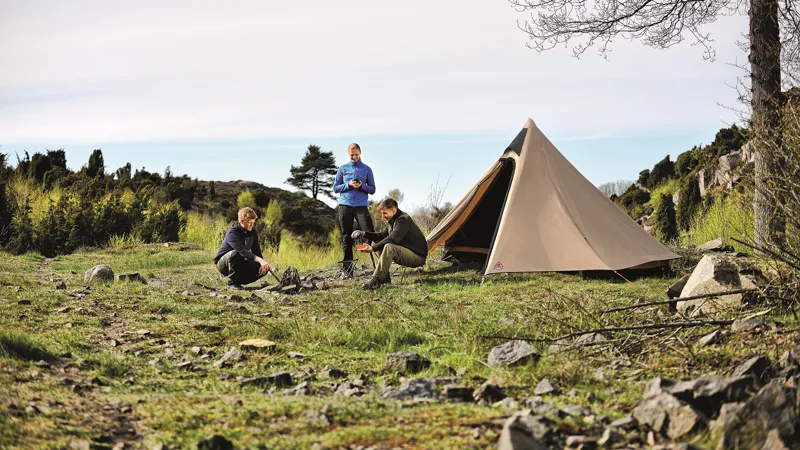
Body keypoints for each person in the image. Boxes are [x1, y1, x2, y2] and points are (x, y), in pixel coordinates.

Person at [353, 198, 427, 290]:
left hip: (417, 257)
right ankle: (384, 279)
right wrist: (364, 233)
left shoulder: (403, 220)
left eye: (385, 213)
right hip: (408, 253)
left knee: (389, 246)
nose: (383, 216)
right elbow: (381, 236)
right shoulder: (392, 221)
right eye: (382, 213)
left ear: (394, 210)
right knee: (380, 243)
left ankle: (376, 280)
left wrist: (372, 248)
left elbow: (393, 239)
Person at [333, 143, 377, 278]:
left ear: (360, 153)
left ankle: (379, 267)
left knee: (370, 233)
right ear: (348, 154)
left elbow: (373, 189)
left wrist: (362, 186)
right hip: (345, 205)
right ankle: (348, 271)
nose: (354, 157)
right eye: (352, 155)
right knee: (346, 237)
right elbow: (335, 188)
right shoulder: (343, 168)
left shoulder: (367, 169)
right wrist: (348, 185)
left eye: (356, 154)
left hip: (361, 206)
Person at [214, 207, 272, 290]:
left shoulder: (253, 232)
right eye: (249, 222)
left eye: (253, 222)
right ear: (241, 221)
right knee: (235, 253)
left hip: (240, 261)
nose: (252, 225)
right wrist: (260, 260)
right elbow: (242, 251)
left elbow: (256, 252)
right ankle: (232, 283)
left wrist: (262, 264)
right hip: (223, 264)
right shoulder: (232, 232)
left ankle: (238, 281)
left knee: (264, 269)